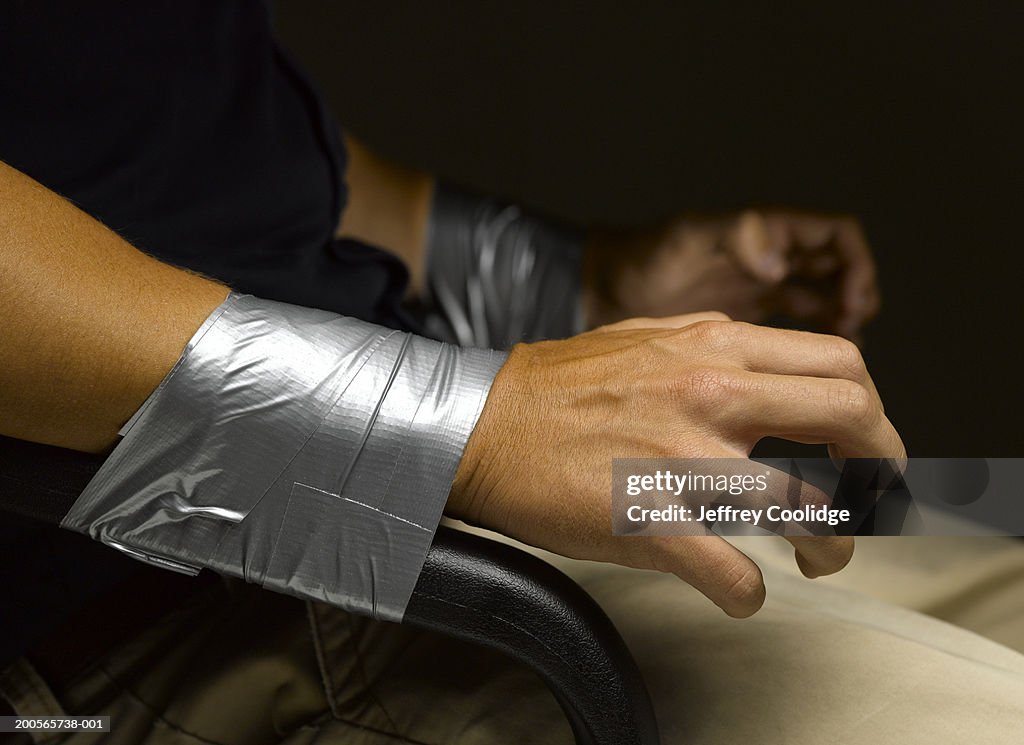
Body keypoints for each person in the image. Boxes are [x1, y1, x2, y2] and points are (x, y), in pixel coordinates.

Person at [1, 4, 1022, 745]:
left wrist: (557, 274)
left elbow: (162, 119)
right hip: (153, 606)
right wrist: (472, 423)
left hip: (406, 494)